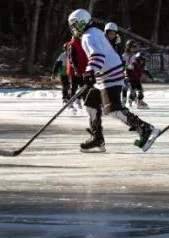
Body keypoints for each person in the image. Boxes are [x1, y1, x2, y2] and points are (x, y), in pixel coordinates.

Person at [68, 9, 158, 152]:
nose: (73, 29)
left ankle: (145, 129)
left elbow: (98, 55)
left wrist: (89, 71)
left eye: (75, 25)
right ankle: (97, 139)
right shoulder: (94, 32)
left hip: (110, 76)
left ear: (82, 23)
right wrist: (92, 73)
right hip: (104, 76)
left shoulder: (88, 36)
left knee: (113, 110)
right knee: (91, 104)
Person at [122, 41, 148, 109]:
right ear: (128, 47)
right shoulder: (124, 55)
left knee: (133, 88)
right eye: (132, 47)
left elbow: (138, 64)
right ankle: (123, 102)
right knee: (125, 88)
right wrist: (124, 70)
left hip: (133, 74)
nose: (134, 48)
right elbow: (123, 65)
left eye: (134, 47)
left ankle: (134, 100)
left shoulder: (135, 56)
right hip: (126, 73)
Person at [66, 34, 88, 110]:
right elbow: (72, 58)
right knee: (74, 86)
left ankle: (80, 101)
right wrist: (76, 69)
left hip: (83, 69)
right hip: (74, 69)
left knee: (83, 86)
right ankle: (70, 103)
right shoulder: (73, 44)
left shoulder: (84, 43)